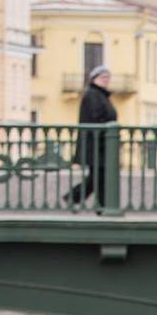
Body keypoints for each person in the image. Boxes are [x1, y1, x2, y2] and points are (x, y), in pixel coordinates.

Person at [65, 65, 117, 211]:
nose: (106, 80)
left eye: (108, 77)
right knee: (98, 177)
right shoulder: (93, 95)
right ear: (94, 79)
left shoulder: (101, 95)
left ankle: (98, 204)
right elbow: (96, 118)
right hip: (95, 144)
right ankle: (78, 198)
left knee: (99, 177)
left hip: (101, 144)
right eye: (103, 77)